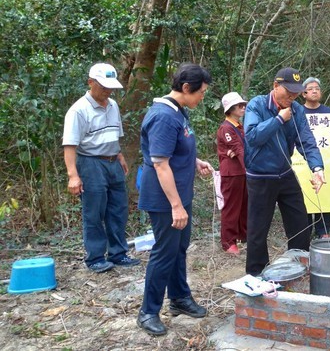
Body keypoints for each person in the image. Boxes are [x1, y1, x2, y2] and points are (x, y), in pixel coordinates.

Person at [137, 63, 214, 336]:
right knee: (164, 252)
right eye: (201, 92)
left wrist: (195, 161)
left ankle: (179, 298)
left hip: (181, 194)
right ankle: (148, 312)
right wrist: (176, 206)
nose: (202, 97)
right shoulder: (163, 117)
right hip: (165, 200)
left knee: (178, 249)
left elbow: (174, 151)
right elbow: (159, 164)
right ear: (185, 88)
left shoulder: (178, 112)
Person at [244, 67, 325, 276]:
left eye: (296, 92)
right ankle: (256, 275)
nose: (292, 96)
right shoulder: (257, 105)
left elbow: (306, 140)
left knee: (299, 219)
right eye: (288, 91)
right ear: (275, 86)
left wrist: (317, 168)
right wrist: (279, 119)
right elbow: (252, 137)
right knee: (258, 229)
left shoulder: (297, 110)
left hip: (285, 172)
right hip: (260, 175)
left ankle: (299, 265)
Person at [62, 63, 140, 273]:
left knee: (118, 209)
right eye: (103, 86)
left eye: (110, 87)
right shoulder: (78, 110)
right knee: (94, 211)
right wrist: (73, 176)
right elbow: (70, 145)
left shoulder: (112, 105)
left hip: (113, 161)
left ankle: (118, 253)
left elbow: (115, 133)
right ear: (90, 82)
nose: (107, 91)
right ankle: (95, 257)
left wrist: (120, 155)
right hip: (91, 163)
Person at [302, 77, 330, 238]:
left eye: (318, 88)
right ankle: (305, 229)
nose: (315, 91)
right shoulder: (298, 112)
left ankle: (323, 230)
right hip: (303, 161)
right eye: (311, 88)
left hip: (327, 160)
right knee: (305, 192)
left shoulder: (329, 112)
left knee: (325, 192)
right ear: (303, 93)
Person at [216, 92, 248, 255]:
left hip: (242, 172)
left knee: (244, 205)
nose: (243, 107)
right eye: (239, 105)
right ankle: (228, 241)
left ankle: (243, 235)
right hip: (232, 174)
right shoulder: (226, 128)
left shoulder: (239, 127)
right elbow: (239, 149)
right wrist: (251, 169)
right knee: (232, 207)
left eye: (243, 105)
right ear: (230, 109)